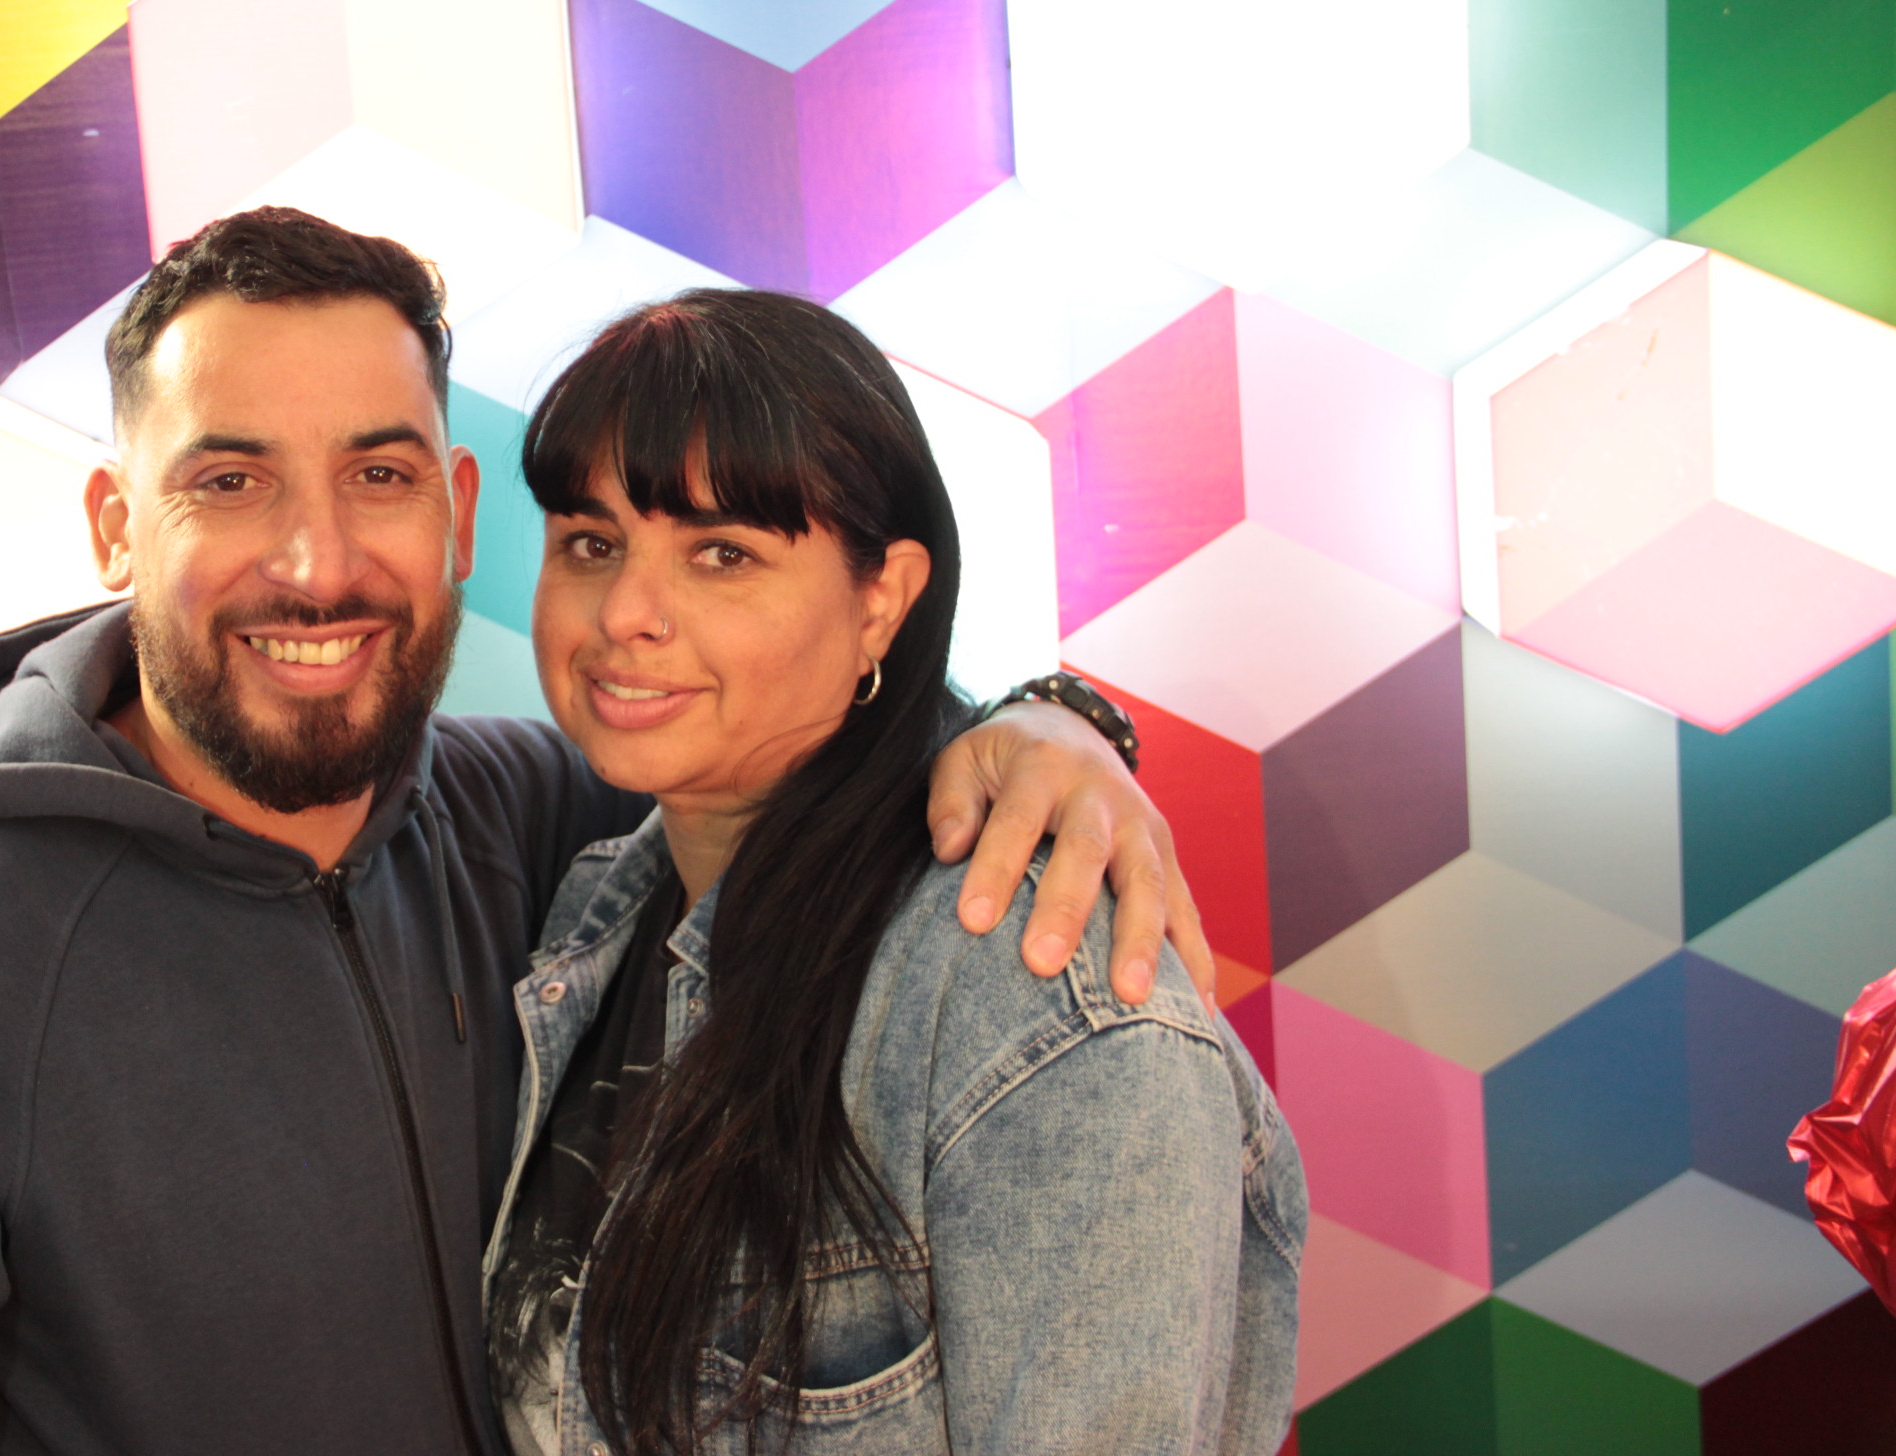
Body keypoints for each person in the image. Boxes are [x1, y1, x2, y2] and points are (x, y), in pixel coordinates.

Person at [0, 210, 1209, 1455]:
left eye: (379, 475)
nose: (316, 558)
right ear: (118, 526)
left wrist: (1048, 724)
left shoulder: (533, 823)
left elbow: (796, 733)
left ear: (458, 512)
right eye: (229, 479)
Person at [487, 290, 1303, 1455]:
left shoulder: (1034, 993)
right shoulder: (596, 905)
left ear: (884, 600)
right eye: (590, 543)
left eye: (722, 554)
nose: (625, 613)